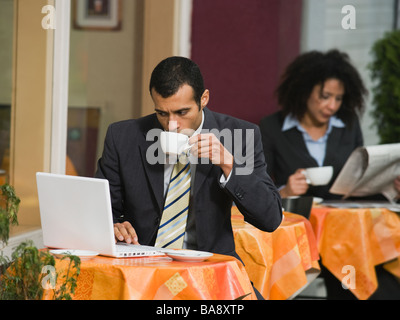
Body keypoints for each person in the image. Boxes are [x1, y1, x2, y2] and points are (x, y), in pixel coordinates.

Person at [95, 56, 282, 299]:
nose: (172, 125)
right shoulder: (123, 137)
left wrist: (229, 164)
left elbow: (270, 218)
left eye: (182, 112)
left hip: (210, 272)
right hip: (140, 272)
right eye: (162, 113)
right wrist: (113, 226)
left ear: (203, 99)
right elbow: (104, 211)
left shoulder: (239, 135)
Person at [260, 49, 400, 299]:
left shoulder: (348, 123)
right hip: (299, 234)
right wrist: (284, 191)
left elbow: (359, 177)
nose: (332, 106)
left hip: (349, 233)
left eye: (338, 98)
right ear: (304, 91)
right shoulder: (271, 128)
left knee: (383, 277)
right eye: (325, 97)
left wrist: (390, 186)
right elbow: (256, 189)